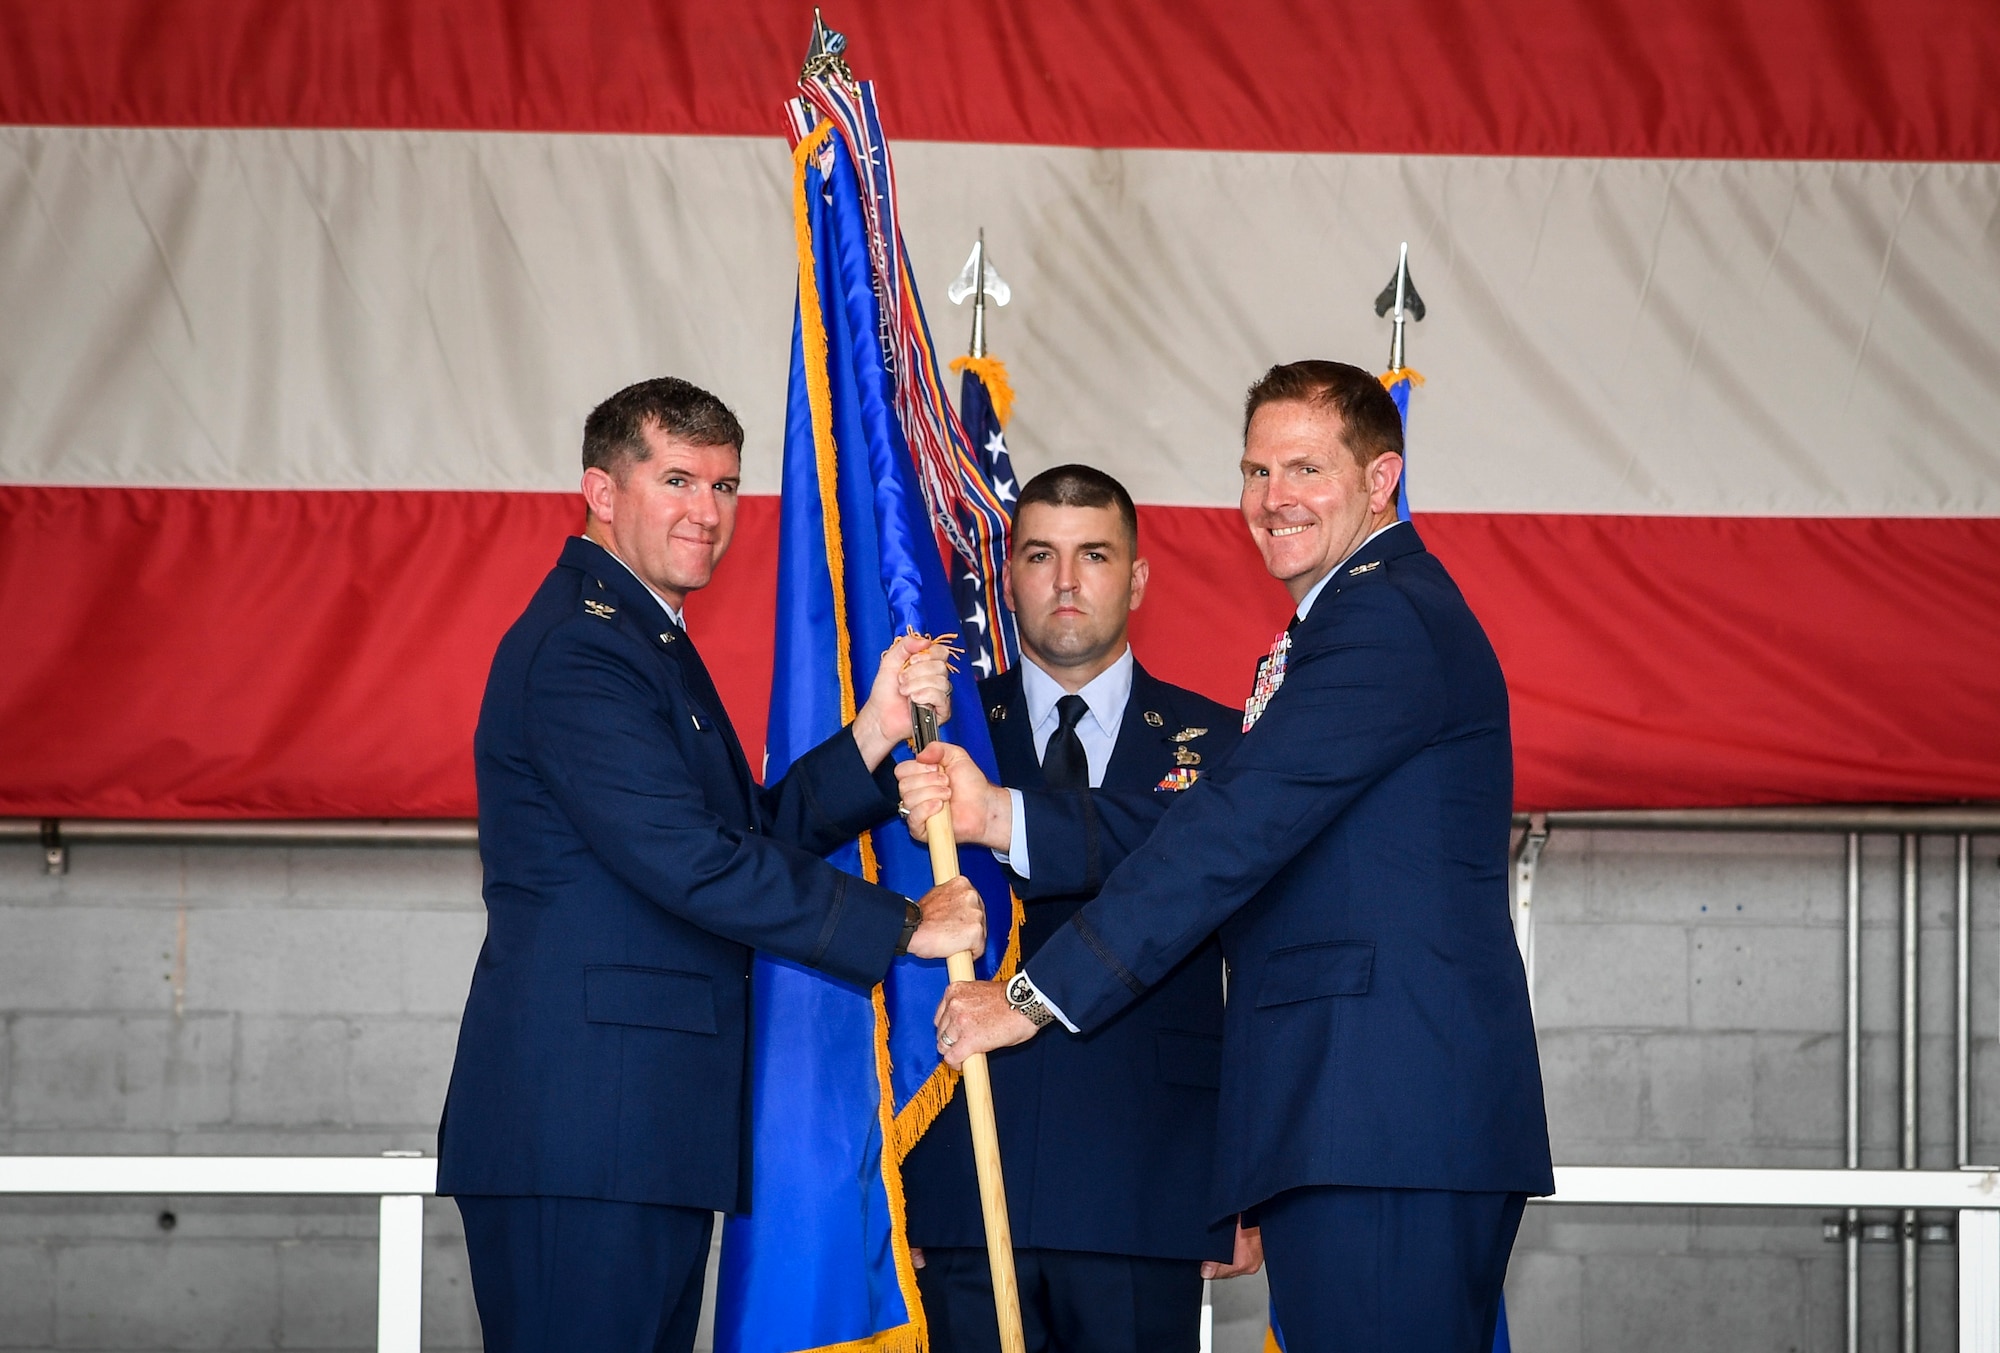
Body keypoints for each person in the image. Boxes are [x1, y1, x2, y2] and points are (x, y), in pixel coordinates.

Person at [900, 361, 1553, 1353]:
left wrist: (1028, 998)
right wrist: (1001, 818)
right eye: (1254, 471)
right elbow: (1212, 821)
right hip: (1356, 1122)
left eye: (1303, 469)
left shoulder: (1381, 624)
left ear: (1381, 479)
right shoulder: (1345, 622)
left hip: (1377, 1119)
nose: (1270, 499)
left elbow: (1229, 834)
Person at [437, 377, 985, 1353]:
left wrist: (871, 738)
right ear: (600, 492)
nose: (706, 513)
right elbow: (687, 860)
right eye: (678, 480)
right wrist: (901, 926)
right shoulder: (581, 650)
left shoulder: (644, 636)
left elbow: (737, 836)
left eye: (726, 487)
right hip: (586, 1137)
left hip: (639, 1136)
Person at [902, 465, 1253, 1353]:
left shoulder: (1220, 745)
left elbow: (1257, 966)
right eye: (1040, 555)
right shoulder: (937, 738)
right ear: (1006, 578)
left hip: (1147, 1181)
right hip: (964, 1166)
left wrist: (1244, 1175)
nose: (1066, 581)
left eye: (1094, 554)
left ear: (1135, 578)